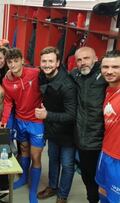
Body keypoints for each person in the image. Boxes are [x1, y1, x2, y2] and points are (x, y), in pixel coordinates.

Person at [0, 48, 44, 203]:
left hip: (37, 122)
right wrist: (5, 119)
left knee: (36, 155)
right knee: (24, 150)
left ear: (22, 60)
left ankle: (33, 191)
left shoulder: (35, 73)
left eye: (15, 61)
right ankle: (24, 178)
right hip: (20, 120)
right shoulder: (6, 80)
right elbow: (7, 101)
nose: (12, 64)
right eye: (9, 62)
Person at [35, 47, 77, 203]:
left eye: (51, 61)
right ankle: (53, 187)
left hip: (67, 133)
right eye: (44, 61)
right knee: (53, 160)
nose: (47, 65)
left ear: (58, 63)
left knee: (67, 165)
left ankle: (63, 196)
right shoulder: (43, 75)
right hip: (52, 130)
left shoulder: (67, 85)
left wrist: (47, 115)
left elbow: (71, 115)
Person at [70, 46, 107, 203]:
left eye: (86, 58)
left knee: (106, 180)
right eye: (79, 59)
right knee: (87, 176)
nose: (83, 62)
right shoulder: (75, 75)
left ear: (95, 59)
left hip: (103, 140)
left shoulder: (106, 75)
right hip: (83, 140)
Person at [95, 50, 120, 203]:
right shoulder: (107, 90)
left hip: (118, 159)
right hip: (105, 153)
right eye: (106, 67)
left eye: (116, 67)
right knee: (102, 191)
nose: (109, 71)